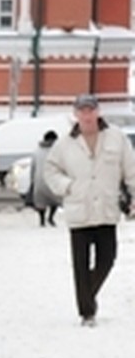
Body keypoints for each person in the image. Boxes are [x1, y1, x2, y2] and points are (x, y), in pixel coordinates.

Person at [42, 94, 135, 325]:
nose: (87, 115)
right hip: (79, 210)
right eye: (82, 111)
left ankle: (87, 295)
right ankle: (87, 312)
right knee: (80, 264)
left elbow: (131, 170)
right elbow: (50, 170)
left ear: (98, 111)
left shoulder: (116, 138)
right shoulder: (64, 143)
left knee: (107, 259)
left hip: (106, 209)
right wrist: (68, 187)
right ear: (75, 114)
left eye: (90, 110)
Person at [29, 130, 60, 227]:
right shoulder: (56, 151)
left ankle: (42, 220)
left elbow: (33, 166)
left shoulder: (37, 151)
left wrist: (32, 180)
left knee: (40, 202)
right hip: (52, 180)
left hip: (39, 181)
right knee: (55, 200)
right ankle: (51, 217)